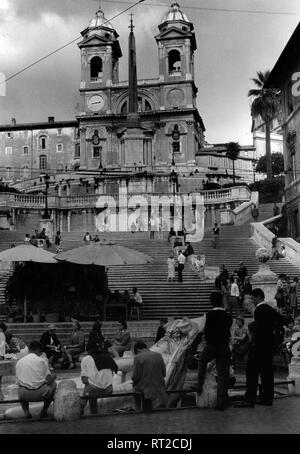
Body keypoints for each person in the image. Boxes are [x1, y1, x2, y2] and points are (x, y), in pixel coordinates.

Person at [235, 288, 285, 408]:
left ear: (258, 297)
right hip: (268, 347)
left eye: (253, 298)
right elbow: (282, 320)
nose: (252, 301)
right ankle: (267, 398)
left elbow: (259, 330)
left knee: (251, 372)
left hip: (259, 347)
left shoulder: (260, 309)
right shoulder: (269, 309)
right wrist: (273, 339)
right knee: (267, 372)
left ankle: (249, 399)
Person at [197, 291, 233, 410]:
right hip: (224, 346)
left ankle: (199, 385)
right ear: (221, 301)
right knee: (223, 375)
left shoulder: (207, 315)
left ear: (211, 302)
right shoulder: (228, 316)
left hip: (211, 345)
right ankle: (222, 402)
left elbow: (201, 329)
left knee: (202, 361)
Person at [16, 341, 57, 419]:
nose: (40, 354)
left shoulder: (19, 362)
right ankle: (44, 410)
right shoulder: (42, 361)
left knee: (20, 386)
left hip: (23, 395)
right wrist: (54, 376)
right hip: (40, 393)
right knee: (54, 384)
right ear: (37, 350)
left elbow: (18, 381)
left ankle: (26, 412)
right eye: (40, 352)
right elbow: (49, 380)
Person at [81, 341, 118, 415]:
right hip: (109, 389)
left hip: (94, 391)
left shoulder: (86, 359)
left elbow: (84, 380)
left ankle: (85, 410)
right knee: (92, 385)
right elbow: (115, 368)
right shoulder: (108, 357)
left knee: (88, 387)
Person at [132, 341, 168, 412]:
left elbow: (136, 376)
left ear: (138, 350)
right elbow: (164, 373)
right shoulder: (158, 355)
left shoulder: (137, 358)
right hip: (159, 388)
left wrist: (133, 383)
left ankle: (138, 411)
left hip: (145, 390)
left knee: (135, 392)